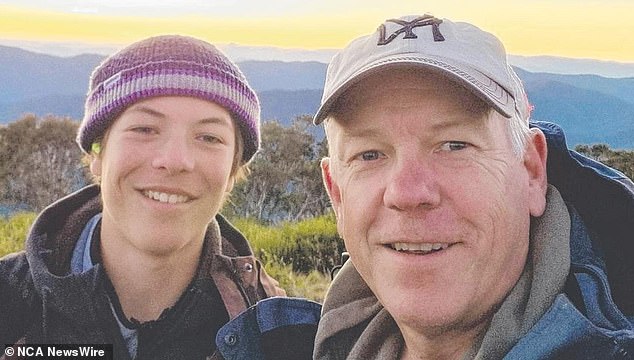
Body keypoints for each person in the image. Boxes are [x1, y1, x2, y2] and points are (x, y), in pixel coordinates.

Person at [312, 14, 634, 359]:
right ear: (337, 195)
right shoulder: (280, 342)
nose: (407, 193)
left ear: (531, 171)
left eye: (454, 145)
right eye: (370, 154)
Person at [0, 34, 320, 360]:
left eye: (209, 137)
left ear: (232, 172)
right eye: (145, 129)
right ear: (97, 151)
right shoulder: (9, 302)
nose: (175, 160)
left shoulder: (277, 335)